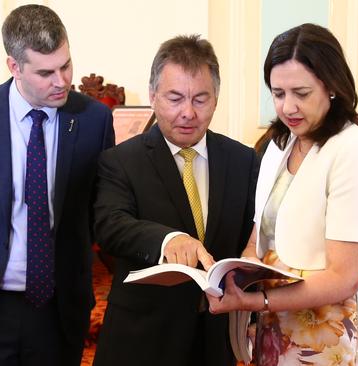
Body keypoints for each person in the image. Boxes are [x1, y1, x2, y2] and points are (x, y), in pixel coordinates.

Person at [0, 4, 114, 366]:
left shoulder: (93, 119)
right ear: (14, 67)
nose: (61, 81)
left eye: (66, 65)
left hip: (58, 310)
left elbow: (97, 206)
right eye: (46, 72)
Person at [207, 23, 358, 365]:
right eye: (278, 93)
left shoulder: (355, 150)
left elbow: (344, 278)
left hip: (331, 324)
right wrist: (238, 271)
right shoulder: (280, 144)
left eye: (301, 93)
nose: (288, 107)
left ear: (332, 87)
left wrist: (257, 301)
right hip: (277, 314)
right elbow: (260, 233)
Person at [92, 35, 259, 366]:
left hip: (215, 338)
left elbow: (250, 240)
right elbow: (110, 224)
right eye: (175, 98)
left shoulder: (243, 161)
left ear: (215, 99)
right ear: (153, 96)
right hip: (141, 339)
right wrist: (168, 238)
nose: (188, 113)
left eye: (200, 99)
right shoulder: (121, 161)